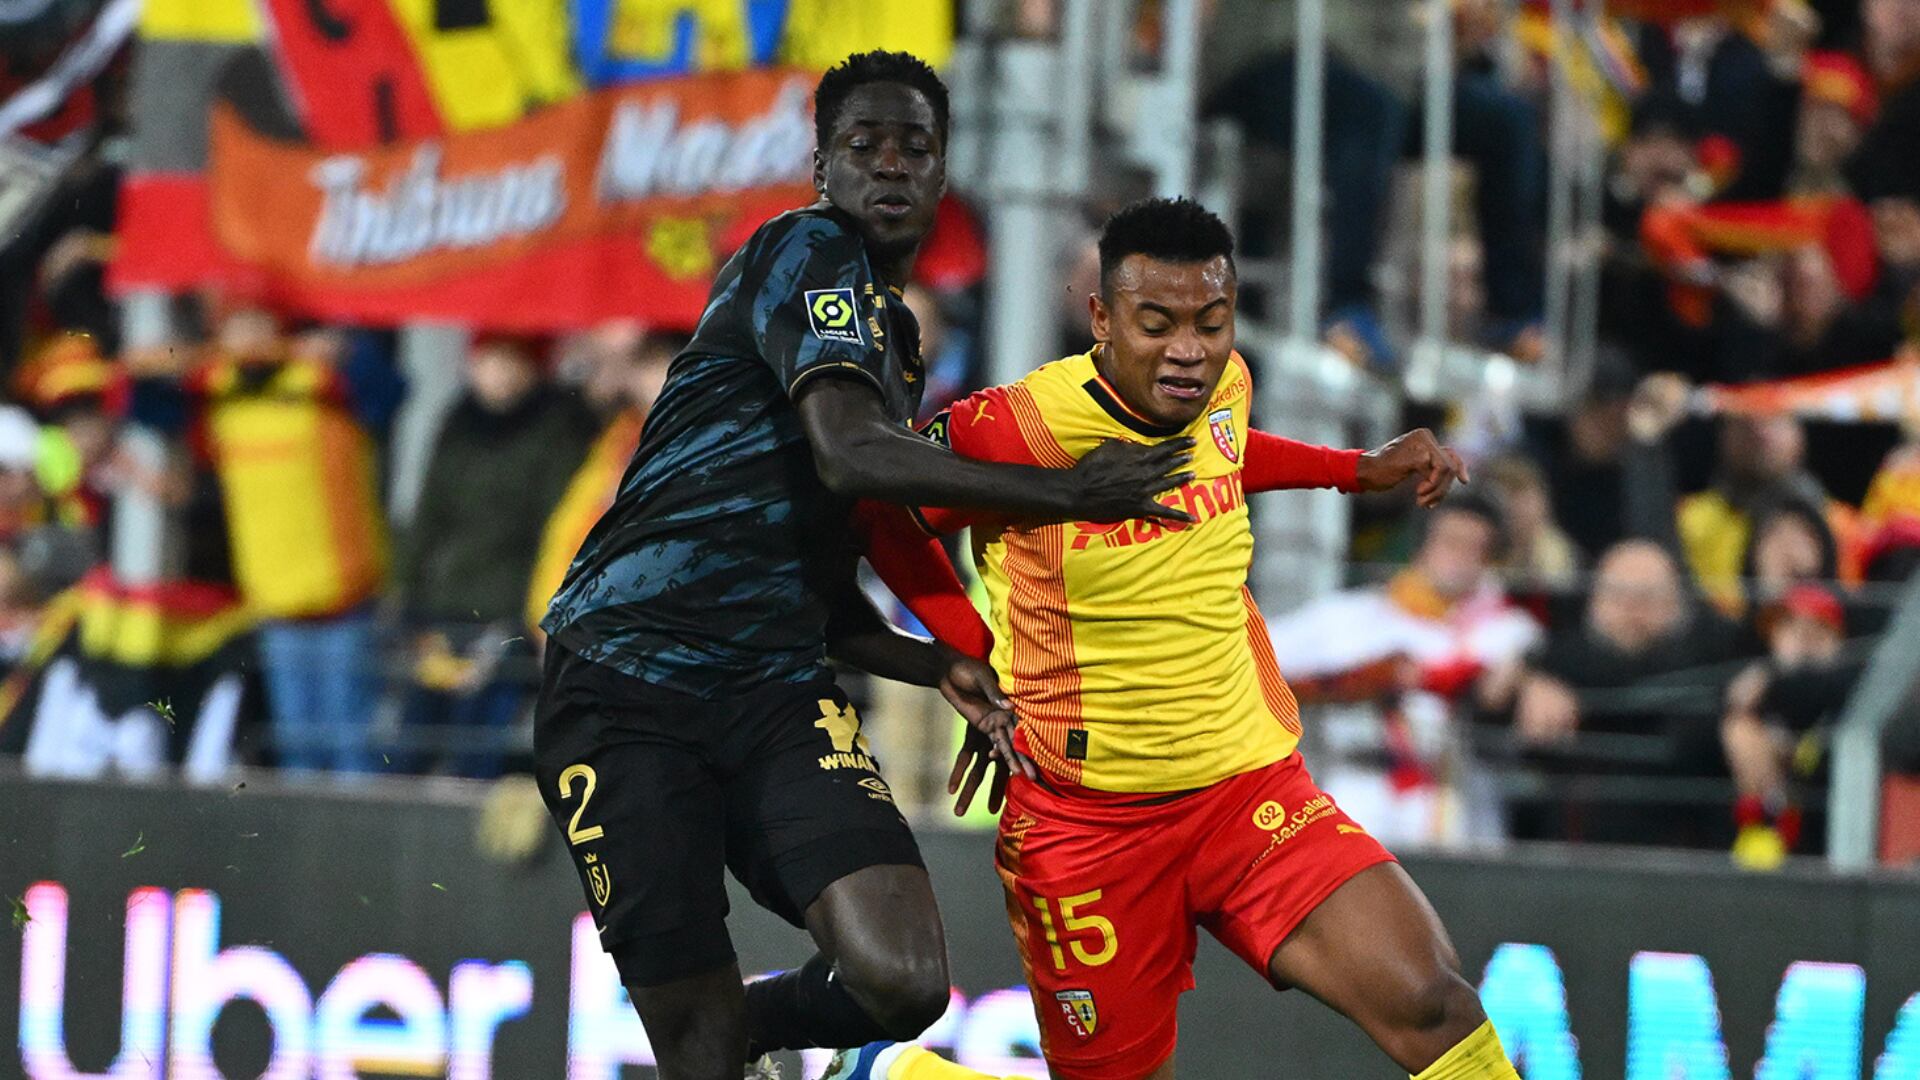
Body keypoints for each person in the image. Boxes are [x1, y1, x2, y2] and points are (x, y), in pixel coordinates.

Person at [533, 52, 1193, 1080]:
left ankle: (739, 1036)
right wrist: (1073, 491)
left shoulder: (889, 339)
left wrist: (936, 665)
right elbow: (847, 450)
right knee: (700, 1047)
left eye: (915, 148)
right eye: (864, 146)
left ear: (942, 173)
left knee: (903, 979)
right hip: (623, 688)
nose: (890, 166)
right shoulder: (807, 250)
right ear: (822, 167)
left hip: (772, 692)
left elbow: (817, 584)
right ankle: (713, 1044)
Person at [831, 198, 1517, 1080]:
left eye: (1212, 323)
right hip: (1086, 823)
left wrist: (1353, 471)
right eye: (1157, 325)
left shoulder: (1224, 388)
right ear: (1103, 320)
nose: (1188, 349)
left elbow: (1226, 453)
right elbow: (883, 513)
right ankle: (898, 1075)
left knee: (1433, 1004)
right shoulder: (1018, 428)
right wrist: (970, 653)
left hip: (1245, 791)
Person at [1266, 492, 1540, 849]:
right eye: (1451, 541)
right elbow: (1259, 654)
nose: (1461, 557)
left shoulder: (1502, 630)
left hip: (1450, 793)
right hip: (1357, 779)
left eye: (1477, 548)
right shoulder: (1355, 615)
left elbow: (1503, 680)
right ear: (1422, 543)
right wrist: (1348, 683)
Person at [396, 333, 594, 778]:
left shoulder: (557, 429)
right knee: (410, 749)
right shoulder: (457, 421)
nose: (497, 374)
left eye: (510, 360)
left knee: (477, 754)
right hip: (441, 610)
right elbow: (428, 514)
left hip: (506, 615)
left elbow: (554, 531)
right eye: (488, 360)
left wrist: (537, 611)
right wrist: (407, 594)